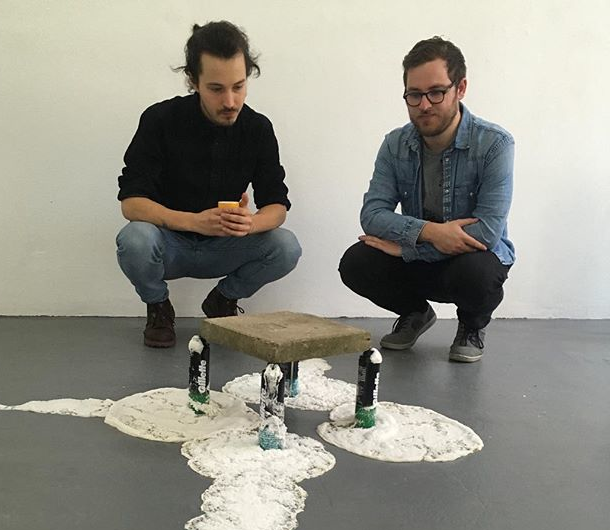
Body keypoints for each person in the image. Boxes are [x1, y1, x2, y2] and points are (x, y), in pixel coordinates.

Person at [116, 21, 301, 348]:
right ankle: (158, 306)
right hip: (170, 245)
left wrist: (250, 223)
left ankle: (222, 300)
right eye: (216, 89)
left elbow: (277, 206)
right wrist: (193, 221)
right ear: (193, 81)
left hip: (225, 246)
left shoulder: (258, 128)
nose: (230, 101)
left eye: (239, 86)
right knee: (135, 239)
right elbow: (131, 204)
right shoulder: (160, 119)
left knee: (286, 247)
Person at [339, 36, 514, 363]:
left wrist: (410, 248)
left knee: (479, 272)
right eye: (414, 95)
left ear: (460, 88)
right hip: (422, 257)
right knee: (356, 263)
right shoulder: (395, 144)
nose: (423, 105)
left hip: (467, 262)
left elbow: (487, 232)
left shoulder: (495, 144)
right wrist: (431, 233)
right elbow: (372, 214)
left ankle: (471, 325)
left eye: (436, 92)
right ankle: (415, 312)